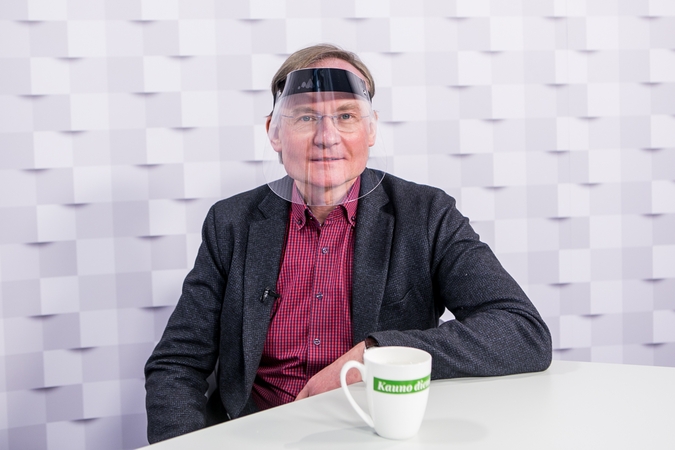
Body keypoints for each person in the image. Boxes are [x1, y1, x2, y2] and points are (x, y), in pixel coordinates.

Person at [144, 44, 552, 444]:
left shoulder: (427, 214)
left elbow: (522, 331)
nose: (327, 137)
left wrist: (372, 354)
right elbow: (176, 364)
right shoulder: (231, 223)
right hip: (256, 435)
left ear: (370, 129)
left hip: (376, 435)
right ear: (274, 132)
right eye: (306, 117)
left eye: (346, 115)